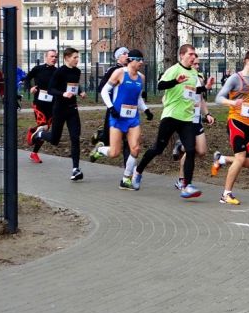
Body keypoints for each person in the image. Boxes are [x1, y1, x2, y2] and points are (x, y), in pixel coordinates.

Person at [131, 44, 200, 198]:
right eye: (190, 54)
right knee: (158, 149)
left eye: (194, 54)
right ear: (182, 55)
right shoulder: (174, 69)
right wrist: (175, 81)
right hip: (171, 116)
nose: (193, 57)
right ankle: (138, 171)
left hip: (186, 118)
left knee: (190, 150)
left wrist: (205, 87)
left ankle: (187, 186)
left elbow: (192, 91)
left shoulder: (194, 73)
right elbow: (160, 85)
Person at [89, 49, 154, 190]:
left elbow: (138, 98)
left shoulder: (141, 78)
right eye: (139, 60)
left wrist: (146, 110)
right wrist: (111, 107)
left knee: (135, 149)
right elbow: (104, 91)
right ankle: (100, 150)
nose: (142, 63)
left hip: (133, 118)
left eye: (142, 60)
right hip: (117, 118)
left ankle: (125, 179)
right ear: (131, 60)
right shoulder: (119, 73)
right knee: (114, 153)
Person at [211, 49, 249, 205]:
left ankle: (221, 159)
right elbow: (218, 98)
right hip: (236, 122)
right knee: (240, 158)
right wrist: (232, 102)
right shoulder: (235, 79)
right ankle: (226, 194)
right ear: (247, 61)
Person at [32, 47, 86, 181]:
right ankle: (40, 134)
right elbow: (51, 89)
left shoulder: (77, 71)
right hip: (59, 109)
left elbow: (73, 85)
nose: (77, 60)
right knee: (55, 139)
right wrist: (63, 94)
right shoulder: (59, 72)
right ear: (67, 58)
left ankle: (75, 169)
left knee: (75, 138)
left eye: (78, 57)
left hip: (72, 109)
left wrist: (80, 91)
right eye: (75, 57)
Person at [171, 54, 216, 190]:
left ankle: (180, 147)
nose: (197, 66)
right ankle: (182, 180)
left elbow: (201, 99)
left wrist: (207, 114)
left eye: (198, 64)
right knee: (191, 149)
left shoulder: (199, 79)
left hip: (197, 119)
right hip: (185, 119)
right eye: (194, 63)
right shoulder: (182, 77)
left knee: (201, 151)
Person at [24, 49, 58, 163]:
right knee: (43, 126)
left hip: (51, 105)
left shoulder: (57, 72)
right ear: (46, 57)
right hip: (39, 104)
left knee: (45, 130)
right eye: (52, 56)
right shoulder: (38, 69)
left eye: (55, 57)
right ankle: (33, 134)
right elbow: (27, 78)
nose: (54, 58)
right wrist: (30, 88)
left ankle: (34, 152)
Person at [94, 47, 130, 151]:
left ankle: (126, 149)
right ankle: (100, 137)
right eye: (124, 53)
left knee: (126, 131)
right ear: (118, 57)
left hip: (127, 106)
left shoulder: (130, 70)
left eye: (128, 53)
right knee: (108, 135)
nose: (127, 55)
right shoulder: (113, 70)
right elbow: (101, 87)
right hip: (113, 105)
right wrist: (112, 94)